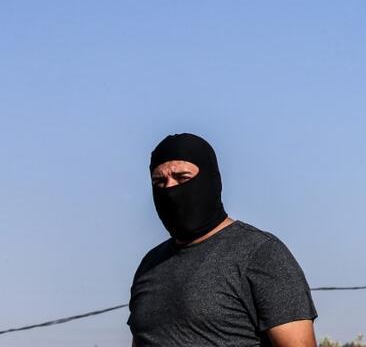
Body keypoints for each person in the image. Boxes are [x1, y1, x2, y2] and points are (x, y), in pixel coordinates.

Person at [128, 133, 317, 347]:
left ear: (210, 179)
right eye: (159, 181)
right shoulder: (150, 265)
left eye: (182, 178)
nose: (170, 189)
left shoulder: (261, 253)